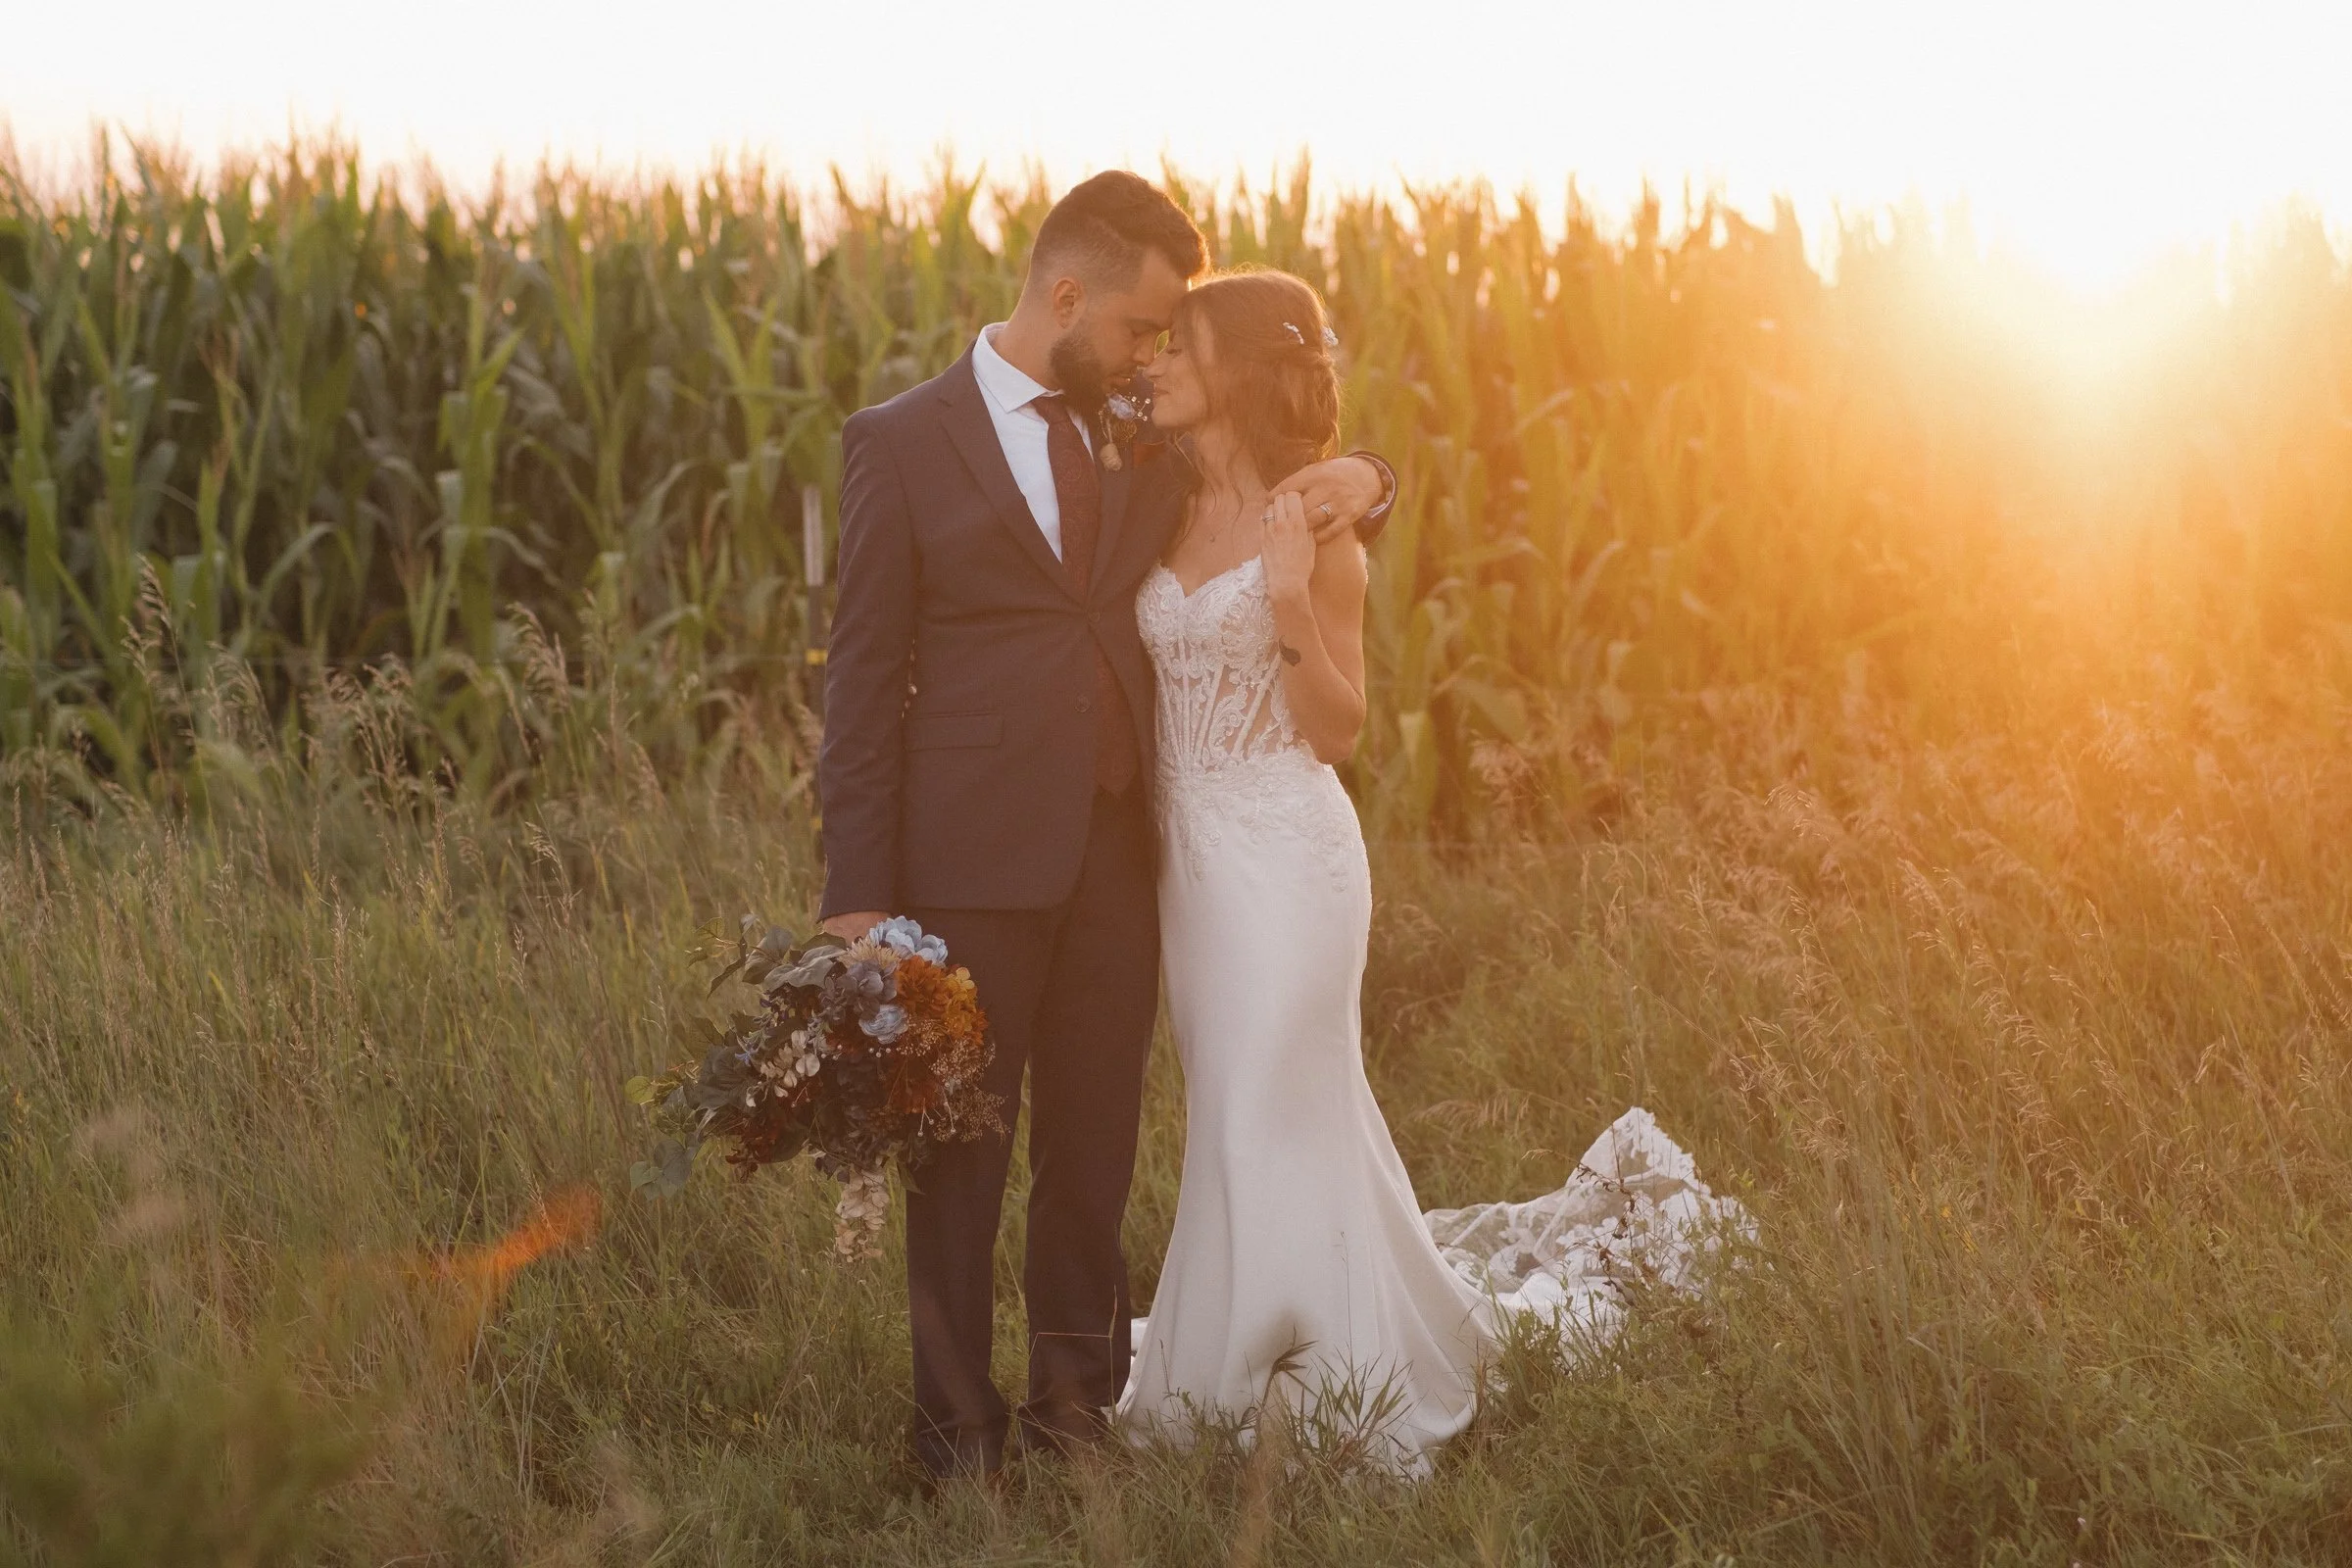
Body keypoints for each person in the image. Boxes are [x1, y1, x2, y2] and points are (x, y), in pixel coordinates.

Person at [815, 172, 1396, 1486]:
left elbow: (1286, 447)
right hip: (967, 859)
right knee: (962, 1151)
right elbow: (858, 683)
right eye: (1140, 327)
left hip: (1133, 864)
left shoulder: (1136, 432)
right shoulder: (900, 443)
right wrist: (858, 898)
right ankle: (955, 1437)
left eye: (1165, 339)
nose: (1150, 354)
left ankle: (1075, 1410)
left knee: (1093, 1148)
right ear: (1066, 295)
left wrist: (1369, 473)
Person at [1113, 269, 1494, 1473]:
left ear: (1236, 371)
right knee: (1234, 1106)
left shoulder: (1315, 530)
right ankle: (1241, 1356)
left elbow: (1338, 728)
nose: (1157, 363)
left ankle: (1299, 1381)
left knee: (1263, 1102)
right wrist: (1369, 468)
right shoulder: (1154, 498)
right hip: (1192, 865)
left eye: (1182, 347)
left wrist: (1284, 596)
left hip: (1289, 854)